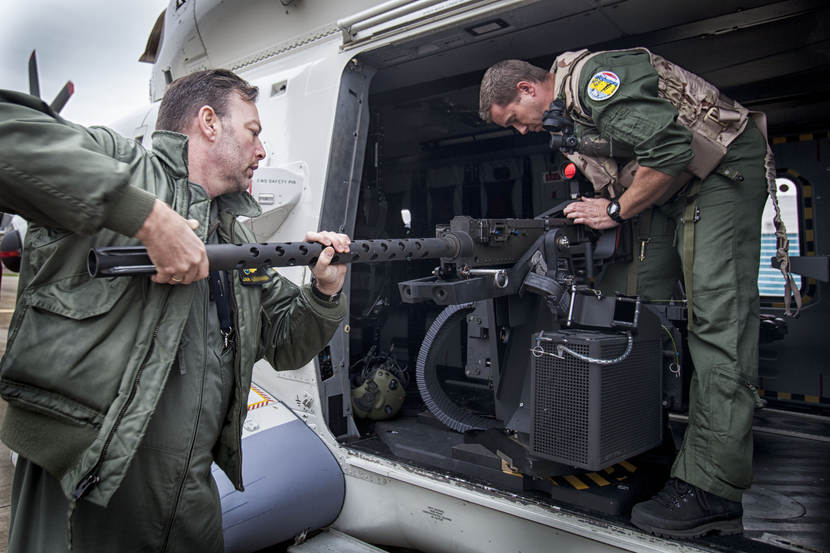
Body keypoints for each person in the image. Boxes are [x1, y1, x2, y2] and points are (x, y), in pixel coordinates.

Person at [0, 69, 349, 552]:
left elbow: (286, 342)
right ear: (209, 122)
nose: (263, 151)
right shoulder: (120, 165)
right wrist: (144, 217)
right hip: (87, 483)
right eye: (253, 132)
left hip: (193, 497)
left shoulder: (234, 237)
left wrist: (324, 293)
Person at [478, 49, 783, 538]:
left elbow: (671, 149)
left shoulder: (594, 80)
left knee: (717, 319)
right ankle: (639, 437)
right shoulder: (566, 125)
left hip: (721, 169)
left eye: (515, 119)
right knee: (632, 307)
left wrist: (615, 210)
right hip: (671, 190)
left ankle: (713, 488)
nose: (521, 131)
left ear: (527, 89)